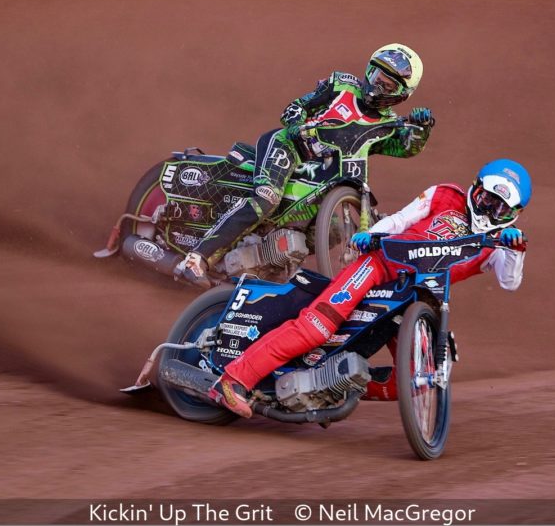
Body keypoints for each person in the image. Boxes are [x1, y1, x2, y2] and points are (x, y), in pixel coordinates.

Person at [207, 159, 533, 417]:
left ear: (514, 214)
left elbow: (510, 282)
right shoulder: (445, 194)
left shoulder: (500, 243)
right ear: (475, 188)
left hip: (415, 298)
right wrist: (372, 235)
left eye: (500, 208)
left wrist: (516, 250)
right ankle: (233, 380)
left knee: (417, 378)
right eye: (486, 199)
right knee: (316, 327)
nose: (489, 210)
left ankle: (331, 385)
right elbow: (400, 221)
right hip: (378, 267)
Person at [175, 43, 435, 288]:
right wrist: (297, 127)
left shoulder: (388, 126)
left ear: (401, 95)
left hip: (322, 174)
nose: (378, 86)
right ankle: (197, 258)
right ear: (369, 70)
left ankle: (266, 263)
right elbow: (295, 107)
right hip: (290, 146)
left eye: (387, 85)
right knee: (266, 199)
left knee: (332, 230)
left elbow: (406, 148)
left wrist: (422, 129)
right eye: (377, 76)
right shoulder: (341, 85)